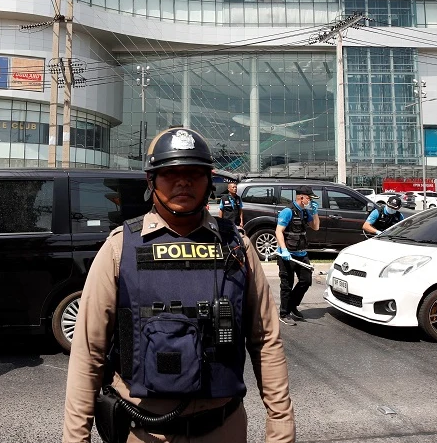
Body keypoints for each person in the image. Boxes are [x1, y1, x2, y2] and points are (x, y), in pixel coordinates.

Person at [62, 127, 295, 443]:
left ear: (208, 181)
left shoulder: (238, 246)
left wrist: (281, 428)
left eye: (194, 173)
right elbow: (89, 350)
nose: (183, 181)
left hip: (222, 430)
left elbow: (265, 340)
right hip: (143, 431)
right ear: (151, 181)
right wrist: (76, 438)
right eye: (170, 173)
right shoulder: (121, 248)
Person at [274, 186, 320, 326]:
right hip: (287, 255)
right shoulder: (288, 211)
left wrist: (315, 211)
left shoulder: (305, 212)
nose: (310, 200)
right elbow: (278, 231)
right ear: (301, 198)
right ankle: (284, 313)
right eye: (309, 198)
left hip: (302, 254)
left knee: (306, 281)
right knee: (286, 285)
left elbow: (316, 227)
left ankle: (292, 306)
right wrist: (284, 250)